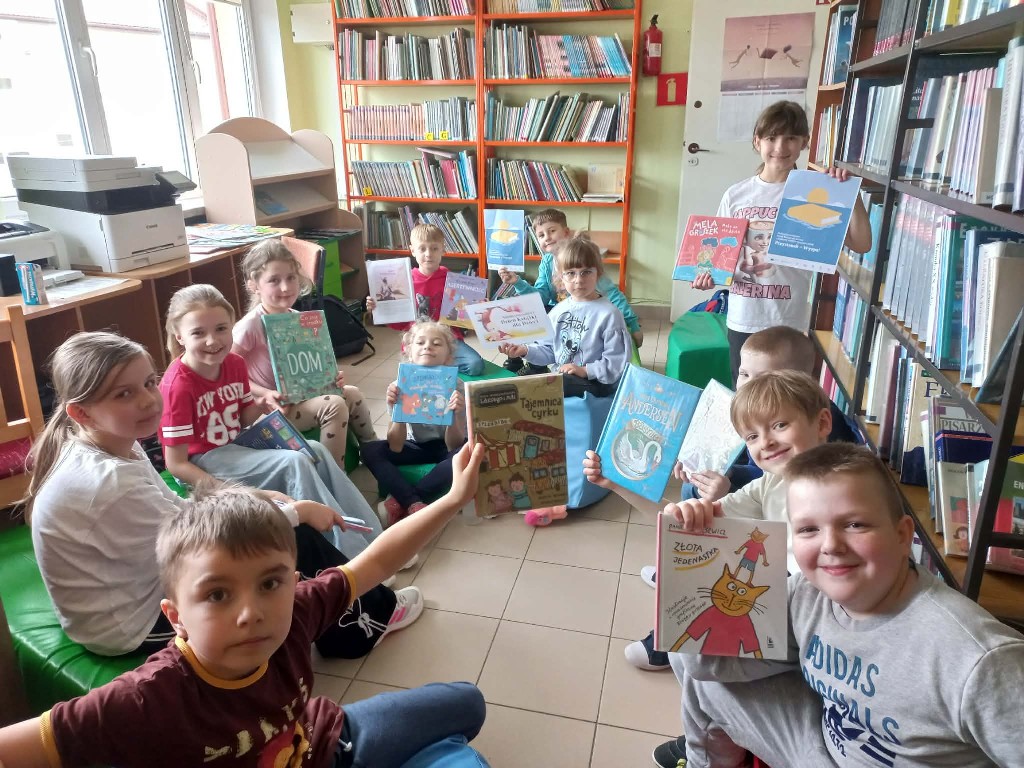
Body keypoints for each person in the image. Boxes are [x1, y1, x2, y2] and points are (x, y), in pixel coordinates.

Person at [0, 444, 489, 768]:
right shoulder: (149, 696)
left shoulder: (296, 611)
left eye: (270, 583)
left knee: (468, 703)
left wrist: (451, 500)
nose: (250, 612)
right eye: (217, 594)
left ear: (293, 583)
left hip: (326, 740)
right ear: (176, 617)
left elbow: (376, 562)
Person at [22, 331, 419, 659]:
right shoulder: (109, 481)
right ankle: (368, 622)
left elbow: (178, 510)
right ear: (82, 412)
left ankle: (351, 604)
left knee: (277, 521)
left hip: (129, 589)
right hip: (130, 624)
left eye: (148, 383)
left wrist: (257, 499)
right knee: (288, 540)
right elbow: (198, 545)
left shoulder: (112, 441)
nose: (147, 399)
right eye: (122, 394)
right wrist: (295, 513)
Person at [674, 442, 1024, 767]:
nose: (830, 545)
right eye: (808, 529)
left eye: (855, 524)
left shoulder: (979, 661)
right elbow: (705, 660)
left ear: (902, 535)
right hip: (822, 746)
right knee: (693, 665)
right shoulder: (807, 593)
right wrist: (703, 543)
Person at [582, 370, 832, 767]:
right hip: (777, 608)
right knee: (681, 641)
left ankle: (706, 751)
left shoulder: (839, 488)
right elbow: (680, 523)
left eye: (780, 425)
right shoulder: (771, 483)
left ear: (822, 423)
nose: (765, 442)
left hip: (812, 622)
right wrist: (620, 486)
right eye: (752, 436)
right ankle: (708, 741)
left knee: (697, 654)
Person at [159, 284, 386, 561]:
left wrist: (264, 403)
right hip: (204, 461)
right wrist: (220, 488)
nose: (212, 341)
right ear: (179, 336)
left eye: (221, 329)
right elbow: (176, 464)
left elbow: (243, 418)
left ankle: (375, 539)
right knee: (294, 461)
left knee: (314, 449)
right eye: (198, 333)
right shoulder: (178, 385)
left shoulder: (234, 364)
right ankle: (350, 555)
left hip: (237, 446)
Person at [691, 100, 871, 385]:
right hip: (744, 317)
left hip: (788, 320)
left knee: (787, 397)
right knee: (747, 397)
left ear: (804, 143)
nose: (780, 147)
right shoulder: (736, 195)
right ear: (757, 142)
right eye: (772, 138)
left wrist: (852, 193)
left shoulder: (817, 191)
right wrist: (706, 276)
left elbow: (862, 244)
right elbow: (717, 254)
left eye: (791, 138)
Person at [500, 236, 631, 527]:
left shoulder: (609, 314)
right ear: (560, 277)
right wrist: (524, 351)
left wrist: (584, 370)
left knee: (545, 386)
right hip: (563, 378)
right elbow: (548, 351)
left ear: (598, 273)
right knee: (523, 385)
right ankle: (525, 475)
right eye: (571, 273)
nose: (579, 280)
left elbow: (616, 365)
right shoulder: (558, 311)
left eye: (586, 272)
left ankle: (557, 497)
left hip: (596, 384)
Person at [232, 239, 376, 469]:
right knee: (334, 405)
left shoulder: (299, 319)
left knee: (352, 393)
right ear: (254, 285)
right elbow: (229, 375)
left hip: (300, 399)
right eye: (274, 280)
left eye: (291, 277)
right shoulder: (250, 325)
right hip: (270, 411)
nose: (286, 287)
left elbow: (311, 366)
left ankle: (375, 453)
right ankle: (331, 475)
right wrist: (265, 394)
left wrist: (330, 378)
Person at [497, 209, 643, 375]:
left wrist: (633, 325)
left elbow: (613, 295)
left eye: (552, 231)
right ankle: (521, 360)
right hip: (562, 311)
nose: (547, 238)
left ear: (566, 232)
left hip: (587, 316)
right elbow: (540, 297)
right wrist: (518, 282)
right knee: (521, 312)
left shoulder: (583, 260)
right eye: (541, 235)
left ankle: (536, 367)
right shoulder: (547, 262)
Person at [362, 321, 468, 527]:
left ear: (448, 356)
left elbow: (454, 444)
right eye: (420, 342)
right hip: (415, 445)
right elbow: (396, 446)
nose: (428, 347)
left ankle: (407, 500)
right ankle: (414, 503)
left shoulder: (457, 386)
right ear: (409, 352)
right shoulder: (398, 386)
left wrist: (455, 414)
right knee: (369, 450)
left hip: (446, 447)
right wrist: (399, 411)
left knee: (467, 452)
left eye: (436, 343)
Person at [365, 223, 485, 376]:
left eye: (434, 248)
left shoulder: (454, 281)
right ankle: (436, 369)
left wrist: (477, 308)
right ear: (412, 250)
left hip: (448, 340)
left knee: (475, 365)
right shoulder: (402, 281)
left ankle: (440, 369)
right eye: (422, 249)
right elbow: (399, 324)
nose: (428, 254)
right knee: (413, 373)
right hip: (418, 341)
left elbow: (463, 321)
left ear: (443, 250)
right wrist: (379, 309)